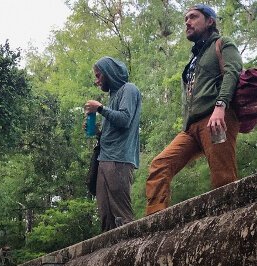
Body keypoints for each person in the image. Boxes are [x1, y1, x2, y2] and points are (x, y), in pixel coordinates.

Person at [145, 4, 243, 216]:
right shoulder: (195, 58)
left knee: (222, 177)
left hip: (217, 118)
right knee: (160, 166)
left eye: (193, 17)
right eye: (185, 19)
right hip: (191, 127)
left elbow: (232, 72)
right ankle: (153, 223)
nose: (187, 22)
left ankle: (229, 222)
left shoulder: (223, 43)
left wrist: (220, 105)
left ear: (210, 21)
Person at [84, 56, 142, 232]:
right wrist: (96, 131)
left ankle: (133, 249)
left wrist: (100, 109)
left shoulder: (129, 90)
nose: (97, 81)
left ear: (109, 73)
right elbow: (112, 131)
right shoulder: (113, 97)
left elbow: (125, 119)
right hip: (105, 158)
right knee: (105, 215)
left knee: (121, 213)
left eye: (99, 75)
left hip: (119, 159)